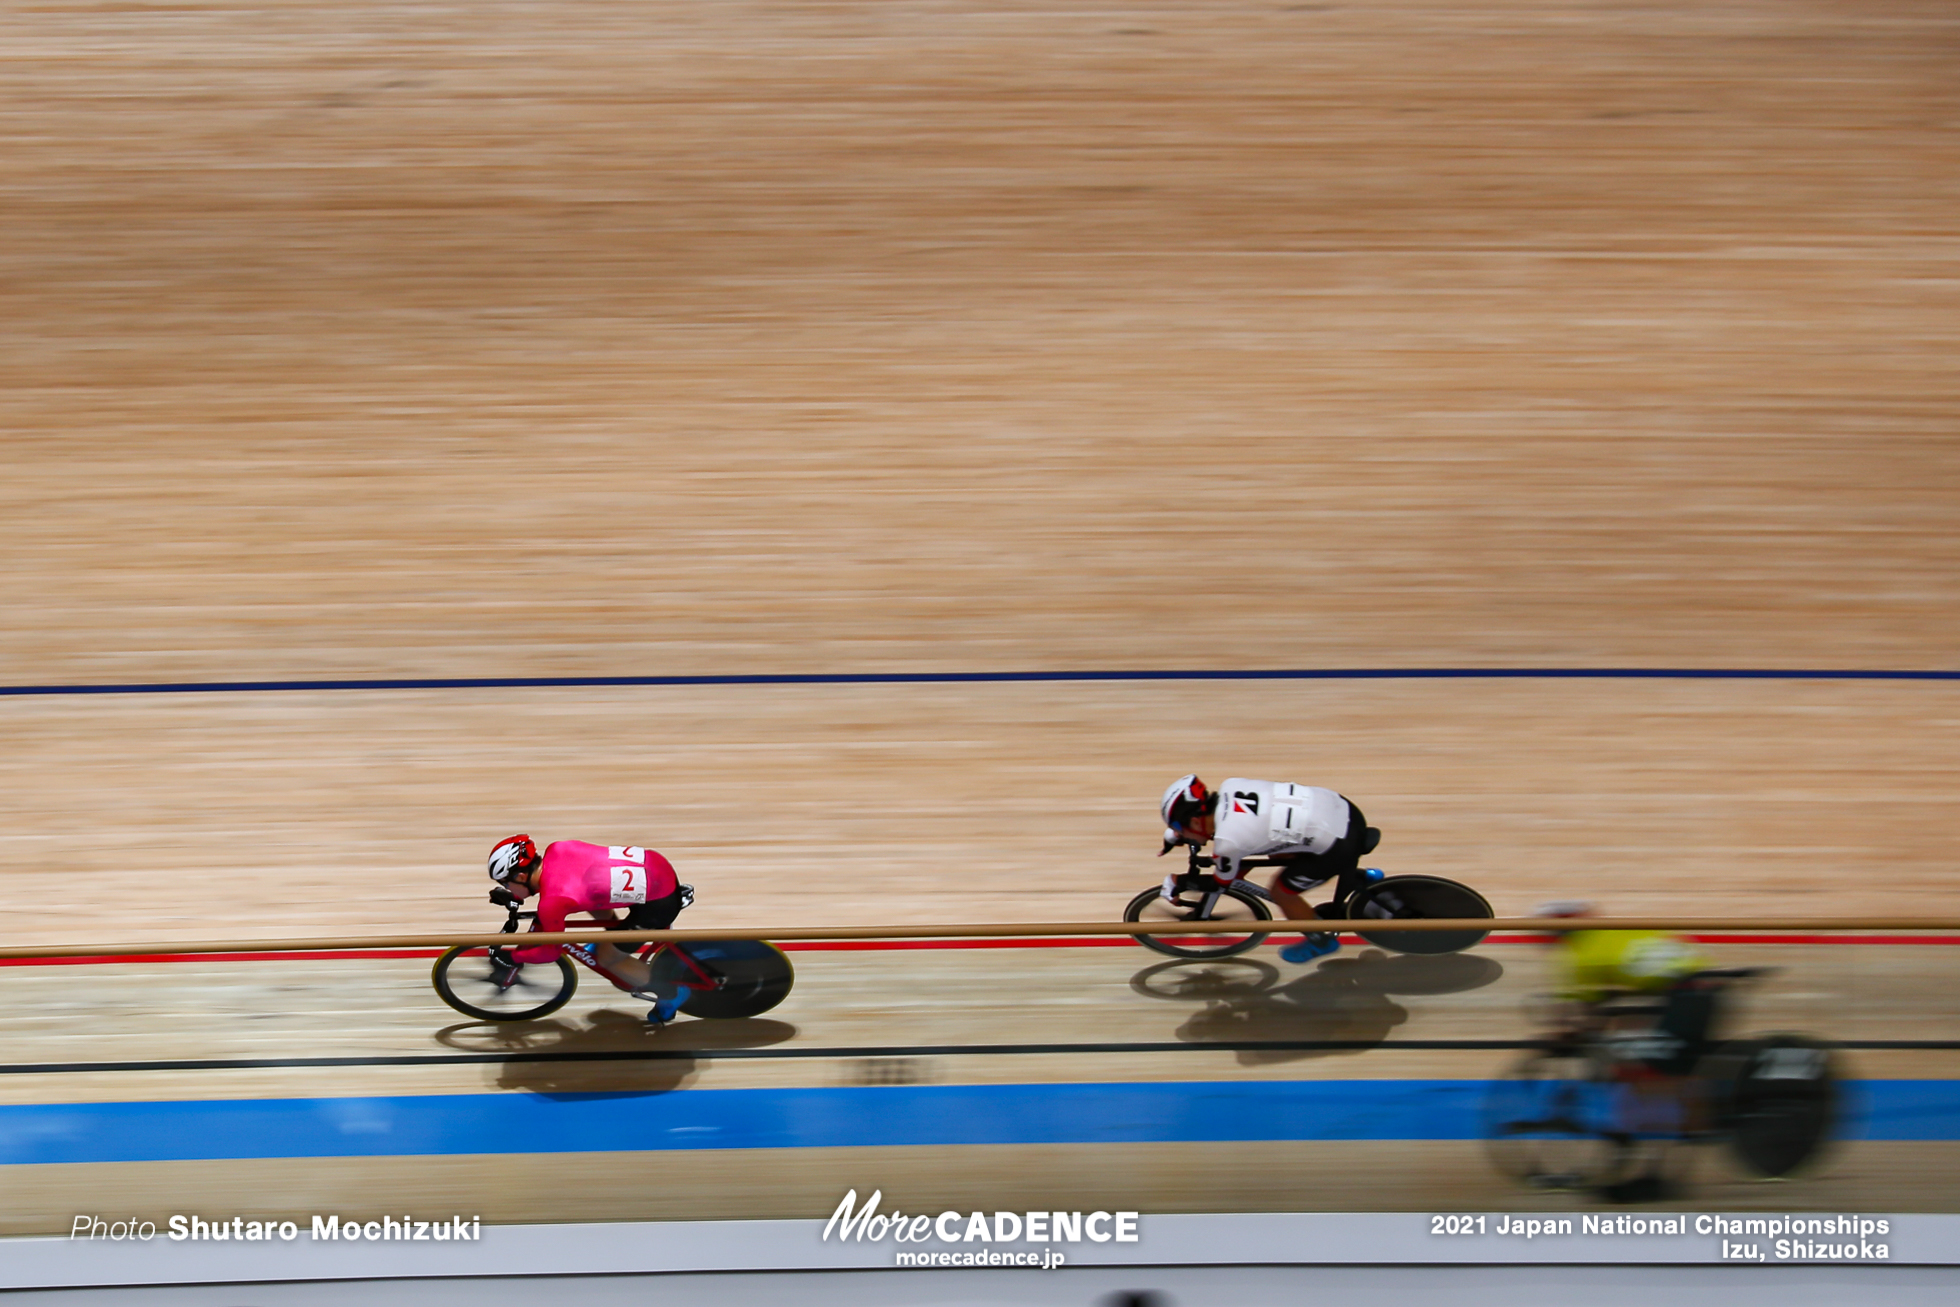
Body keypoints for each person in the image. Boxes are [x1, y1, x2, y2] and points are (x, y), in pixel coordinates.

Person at [1535, 902, 1724, 1202]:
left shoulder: (1582, 956)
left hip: (1686, 997)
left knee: (1656, 1076)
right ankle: (1652, 1150)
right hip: (1688, 991)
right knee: (1638, 1059)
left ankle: (1659, 1170)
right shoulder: (1604, 934)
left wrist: (1561, 1037)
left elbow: (1580, 1014)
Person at [1159, 774, 1381, 965]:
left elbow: (1220, 883)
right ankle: (1361, 880)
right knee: (1275, 847)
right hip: (1343, 808)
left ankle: (1321, 941)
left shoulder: (1228, 842)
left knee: (1281, 892)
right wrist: (1179, 834)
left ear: (1196, 822)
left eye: (1177, 828)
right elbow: (1250, 833)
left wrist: (1180, 882)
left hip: (1339, 844)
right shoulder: (1231, 785)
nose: (1178, 834)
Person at [486, 835, 694, 1025]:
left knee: (607, 958)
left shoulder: (552, 902)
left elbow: (551, 952)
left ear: (521, 876)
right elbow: (575, 881)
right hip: (655, 865)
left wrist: (515, 956)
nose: (507, 888)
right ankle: (614, 938)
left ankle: (671, 993)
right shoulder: (558, 848)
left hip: (658, 902)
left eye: (505, 883)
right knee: (591, 894)